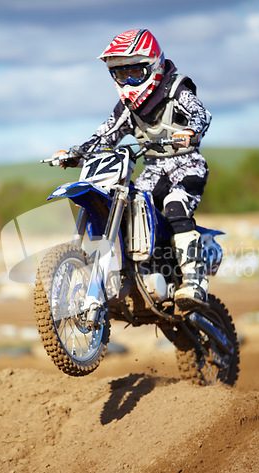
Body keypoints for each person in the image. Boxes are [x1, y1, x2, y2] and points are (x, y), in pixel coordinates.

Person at [52, 29, 211, 311]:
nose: (127, 81)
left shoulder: (177, 89)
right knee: (125, 205)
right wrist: (75, 153)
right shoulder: (127, 107)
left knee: (175, 204)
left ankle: (194, 280)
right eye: (120, 74)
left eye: (135, 72)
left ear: (154, 66)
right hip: (152, 168)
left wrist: (190, 131)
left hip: (186, 162)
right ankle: (127, 275)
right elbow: (104, 135)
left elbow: (201, 113)